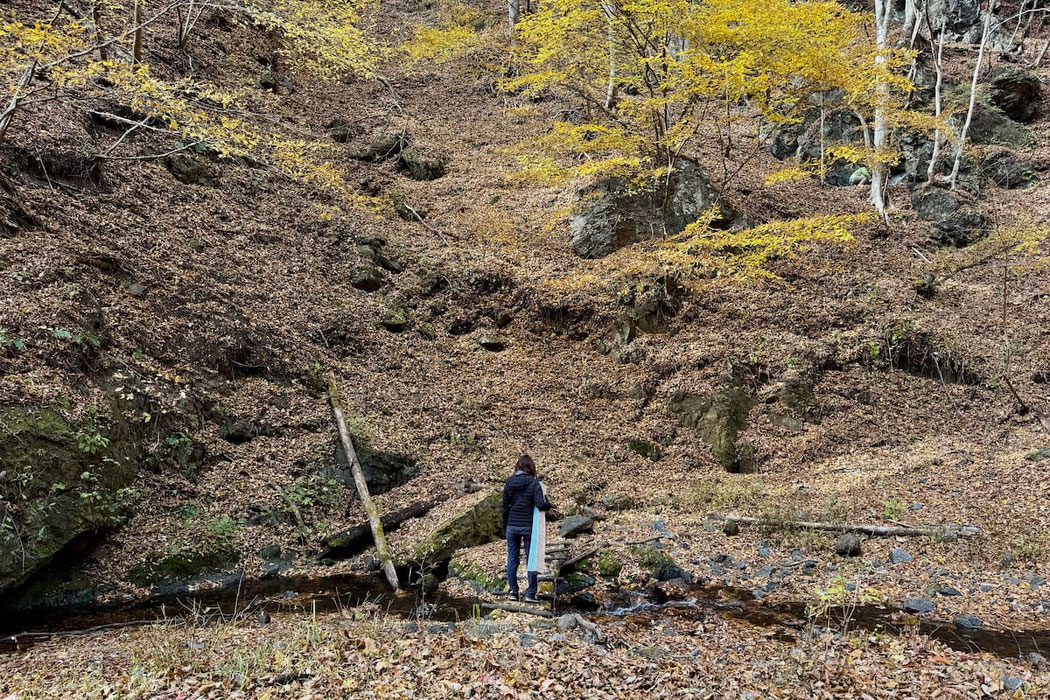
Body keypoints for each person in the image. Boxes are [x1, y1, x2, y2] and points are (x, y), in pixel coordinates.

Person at [502, 454, 551, 602]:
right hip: (528, 527)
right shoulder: (534, 483)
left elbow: (504, 507)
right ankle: (530, 593)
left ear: (518, 466)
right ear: (531, 468)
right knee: (531, 558)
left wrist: (505, 526)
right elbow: (540, 504)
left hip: (512, 526)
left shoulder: (509, 482)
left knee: (512, 558)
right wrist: (548, 503)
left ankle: (513, 591)